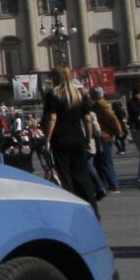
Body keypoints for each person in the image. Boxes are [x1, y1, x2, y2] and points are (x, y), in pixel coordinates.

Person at [40, 65, 100, 209]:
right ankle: (92, 207)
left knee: (65, 175)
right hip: (77, 138)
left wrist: (47, 139)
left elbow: (52, 118)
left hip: (60, 138)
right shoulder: (79, 94)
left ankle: (72, 206)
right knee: (82, 174)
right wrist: (89, 138)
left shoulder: (53, 94)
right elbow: (87, 119)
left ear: (56, 77)